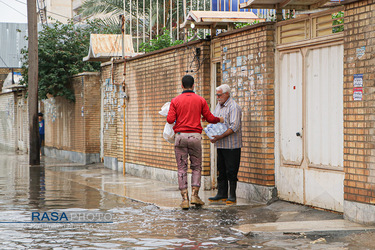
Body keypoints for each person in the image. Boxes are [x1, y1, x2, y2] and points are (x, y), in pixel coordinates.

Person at [167, 75, 224, 209]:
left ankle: (184, 199)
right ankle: (195, 195)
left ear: (182, 86)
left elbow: (170, 120)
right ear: (193, 85)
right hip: (195, 137)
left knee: (182, 168)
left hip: (180, 137)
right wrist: (219, 119)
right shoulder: (200, 100)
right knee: (196, 167)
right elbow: (209, 117)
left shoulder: (175, 101)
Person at [209, 84, 242, 204]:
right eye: (216, 94)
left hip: (232, 145)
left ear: (227, 94)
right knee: (221, 169)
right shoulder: (218, 106)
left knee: (231, 171)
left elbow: (234, 126)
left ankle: (232, 195)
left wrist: (220, 136)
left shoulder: (234, 107)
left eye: (219, 94)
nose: (217, 97)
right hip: (220, 144)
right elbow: (215, 119)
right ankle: (221, 193)